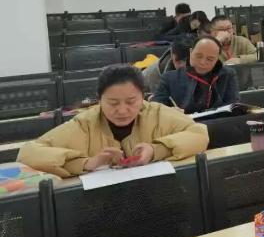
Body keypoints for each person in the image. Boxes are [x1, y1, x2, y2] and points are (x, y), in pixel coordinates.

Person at [18, 65, 208, 178]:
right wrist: (87, 163)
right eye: (113, 103)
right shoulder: (85, 123)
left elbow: (199, 133)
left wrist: (155, 150)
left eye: (131, 101)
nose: (122, 110)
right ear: (99, 100)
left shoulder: (156, 113)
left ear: (143, 97)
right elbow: (28, 152)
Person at [151, 36, 239, 114]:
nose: (202, 62)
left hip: (218, 122)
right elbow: (155, 109)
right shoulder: (169, 78)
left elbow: (233, 106)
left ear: (217, 59)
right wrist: (170, 111)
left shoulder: (227, 74)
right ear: (191, 52)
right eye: (198, 56)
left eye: (210, 59)